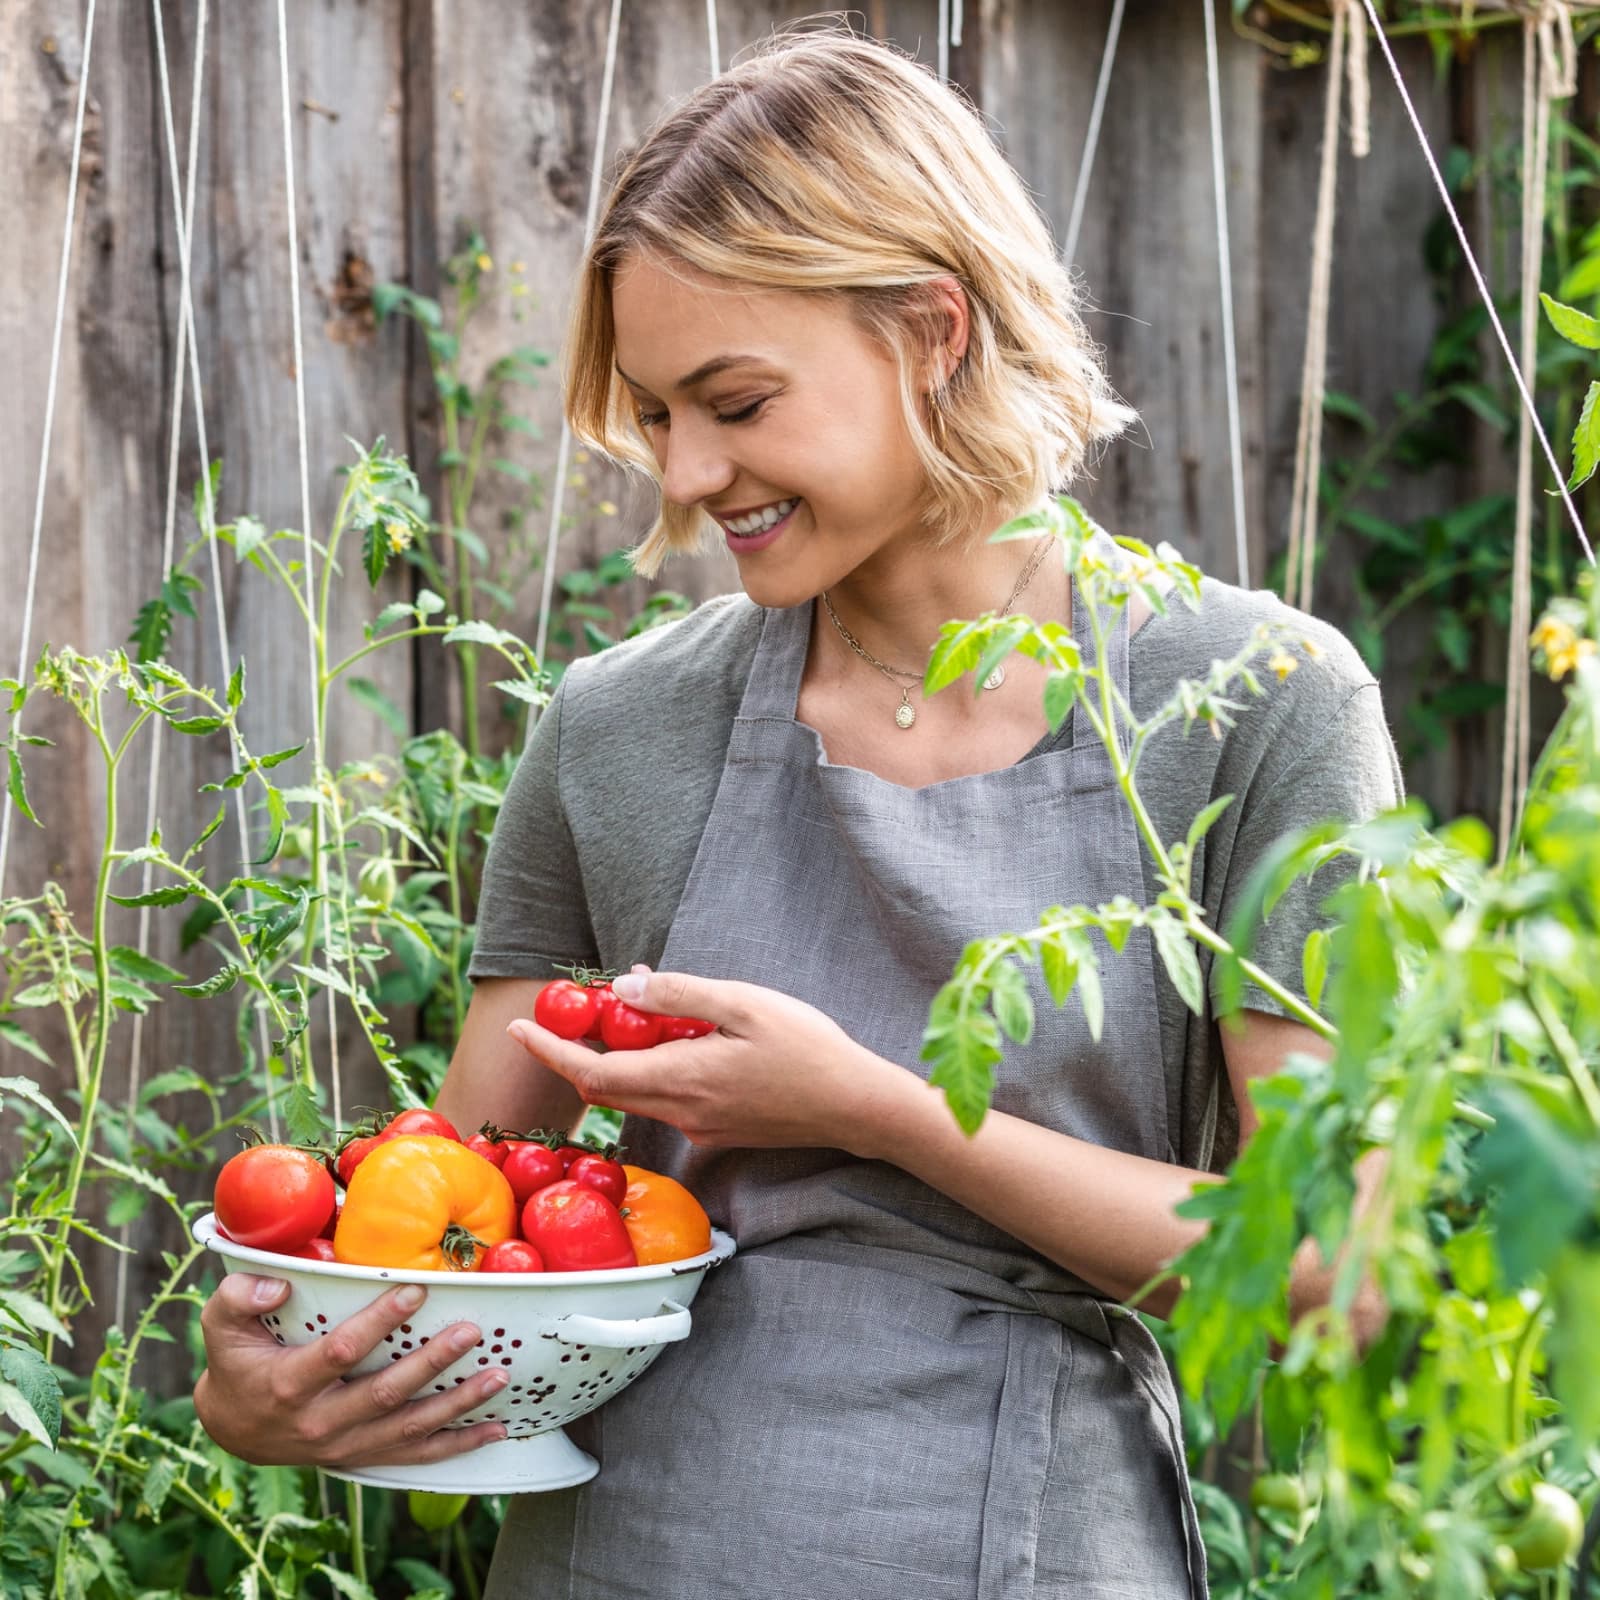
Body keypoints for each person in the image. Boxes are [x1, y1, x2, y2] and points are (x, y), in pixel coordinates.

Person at [195, 24, 1402, 1598]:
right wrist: (278, 1383)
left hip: (1024, 1543)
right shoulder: (620, 726)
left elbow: (1329, 1267)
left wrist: (875, 1106)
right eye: (655, 414)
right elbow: (459, 1208)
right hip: (626, 1548)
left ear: (932, 328)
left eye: (736, 401)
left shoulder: (1260, 703)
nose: (686, 472)